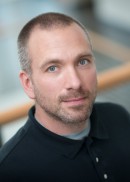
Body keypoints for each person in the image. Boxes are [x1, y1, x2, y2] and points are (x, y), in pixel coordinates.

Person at [0, 12, 130, 182]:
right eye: (53, 68)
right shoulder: (9, 171)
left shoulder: (119, 117)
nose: (75, 83)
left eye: (82, 61)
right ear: (28, 83)